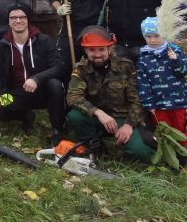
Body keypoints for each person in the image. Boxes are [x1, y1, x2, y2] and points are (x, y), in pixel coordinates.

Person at [66, 25, 154, 162]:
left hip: (123, 117)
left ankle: (127, 142)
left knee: (141, 152)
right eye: (92, 50)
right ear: (86, 50)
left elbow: (139, 99)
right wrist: (98, 113)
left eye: (101, 49)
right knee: (75, 116)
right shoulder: (81, 69)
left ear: (110, 48)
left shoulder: (125, 66)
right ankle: (95, 145)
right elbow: (73, 97)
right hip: (98, 118)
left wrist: (129, 125)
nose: (97, 55)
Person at [0, 3, 66, 146]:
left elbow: (59, 67)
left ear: (28, 19)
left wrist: (37, 79)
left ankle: (57, 129)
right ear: (9, 21)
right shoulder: (2, 45)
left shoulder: (43, 40)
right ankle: (26, 115)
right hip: (17, 93)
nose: (18, 21)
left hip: (41, 90)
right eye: (13, 18)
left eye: (22, 17)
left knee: (54, 85)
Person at [136, 17, 187, 148]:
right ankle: (166, 150)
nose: (153, 40)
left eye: (156, 36)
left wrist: (176, 60)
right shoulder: (144, 57)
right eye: (148, 36)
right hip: (158, 103)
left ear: (163, 34)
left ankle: (183, 150)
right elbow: (143, 82)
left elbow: (185, 70)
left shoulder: (173, 51)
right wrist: (148, 103)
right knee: (162, 128)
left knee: (180, 125)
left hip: (177, 100)